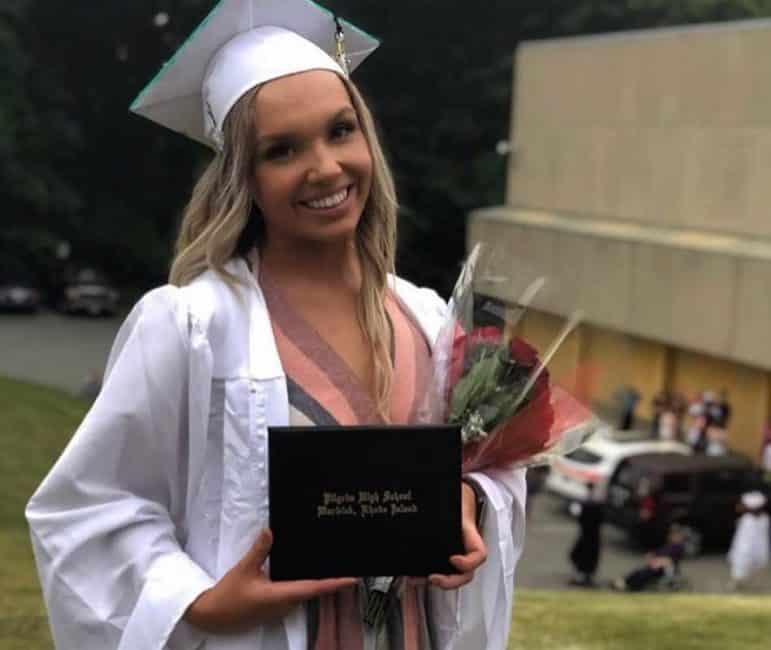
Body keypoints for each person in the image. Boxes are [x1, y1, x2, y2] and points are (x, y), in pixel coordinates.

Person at [24, 2, 527, 649]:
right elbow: (89, 505)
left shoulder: (427, 318)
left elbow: (498, 469)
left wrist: (470, 502)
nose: (325, 167)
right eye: (282, 149)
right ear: (244, 177)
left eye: (340, 131)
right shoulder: (191, 326)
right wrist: (196, 601)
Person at [612, 525, 686, 592]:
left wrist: (658, 562)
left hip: (664, 568)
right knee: (639, 571)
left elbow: (671, 560)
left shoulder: (678, 547)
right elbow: (657, 552)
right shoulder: (668, 546)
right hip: (655, 565)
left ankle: (629, 585)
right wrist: (651, 556)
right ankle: (623, 582)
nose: (671, 536)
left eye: (674, 535)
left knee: (644, 574)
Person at [727, 492, 770, 592]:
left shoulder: (760, 520)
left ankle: (743, 583)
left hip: (750, 551)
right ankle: (739, 583)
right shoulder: (746, 519)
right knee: (740, 568)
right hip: (744, 551)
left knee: (748, 568)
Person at [567, 482, 604, 587]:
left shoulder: (585, 501)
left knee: (582, 555)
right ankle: (586, 577)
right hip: (593, 535)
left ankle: (582, 577)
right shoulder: (598, 501)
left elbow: (579, 516)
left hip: (586, 534)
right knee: (589, 557)